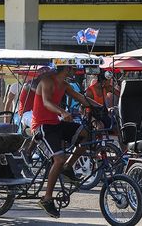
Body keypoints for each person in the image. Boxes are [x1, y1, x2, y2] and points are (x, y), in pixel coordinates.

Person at [32, 65, 100, 218]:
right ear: (66, 69)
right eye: (72, 69)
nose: (75, 72)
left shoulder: (65, 85)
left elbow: (81, 98)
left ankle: (68, 166)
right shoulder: (47, 81)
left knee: (85, 134)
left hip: (56, 124)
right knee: (58, 158)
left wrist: (99, 107)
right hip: (42, 127)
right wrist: (62, 112)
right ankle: (47, 199)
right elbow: (47, 102)